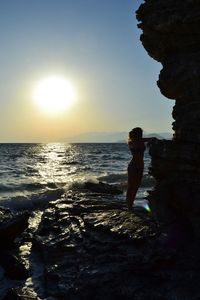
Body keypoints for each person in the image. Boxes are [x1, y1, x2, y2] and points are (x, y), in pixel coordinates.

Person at [126, 127, 153, 211]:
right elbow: (142, 141)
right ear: (138, 134)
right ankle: (129, 206)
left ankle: (131, 204)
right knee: (131, 186)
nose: (142, 134)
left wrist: (152, 140)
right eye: (141, 133)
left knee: (136, 186)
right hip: (134, 165)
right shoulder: (133, 141)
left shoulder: (139, 140)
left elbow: (149, 139)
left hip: (140, 165)